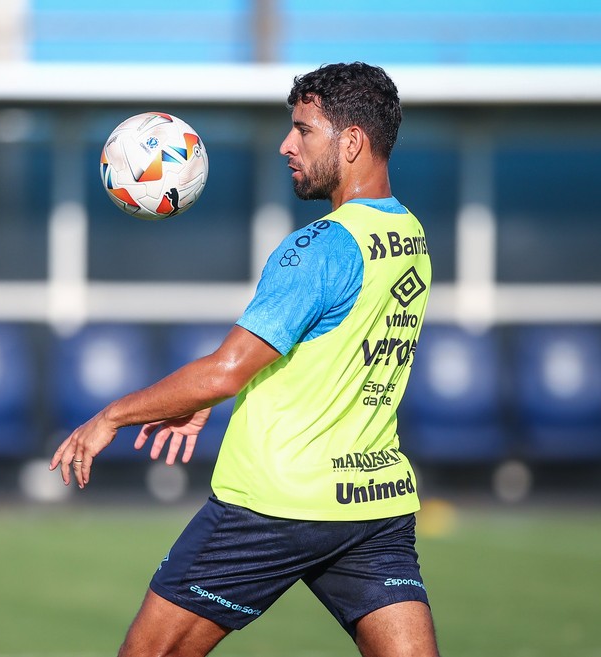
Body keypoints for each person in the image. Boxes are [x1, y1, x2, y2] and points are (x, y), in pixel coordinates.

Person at [50, 62, 439, 657]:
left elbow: (226, 369)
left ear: (352, 142)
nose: (287, 145)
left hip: (276, 502)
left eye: (303, 130)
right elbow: (330, 350)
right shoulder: (411, 238)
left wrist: (112, 417)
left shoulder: (322, 246)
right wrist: (219, 392)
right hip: (372, 499)